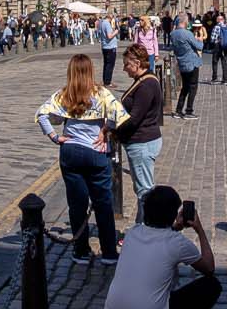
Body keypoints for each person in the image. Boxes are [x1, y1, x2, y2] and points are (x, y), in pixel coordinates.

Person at [103, 184, 220, 309]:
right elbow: (209, 268)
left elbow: (157, 238)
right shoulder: (176, 243)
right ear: (173, 214)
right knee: (212, 286)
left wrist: (174, 227)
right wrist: (199, 229)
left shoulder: (132, 232)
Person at [38, 53, 127, 266]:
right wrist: (105, 129)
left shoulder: (64, 94)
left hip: (70, 151)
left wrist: (55, 136)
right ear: (90, 72)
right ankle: (108, 252)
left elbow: (41, 114)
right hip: (95, 152)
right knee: (103, 202)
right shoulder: (101, 93)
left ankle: (81, 251)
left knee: (77, 204)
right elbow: (120, 114)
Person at [112, 44, 165, 219]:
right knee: (141, 187)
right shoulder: (144, 80)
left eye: (126, 64)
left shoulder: (146, 85)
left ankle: (145, 231)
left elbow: (135, 118)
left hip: (142, 142)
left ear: (136, 63)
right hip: (142, 141)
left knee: (144, 191)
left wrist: (115, 131)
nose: (124, 68)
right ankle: (141, 227)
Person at [168, 15, 204, 120]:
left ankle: (178, 111)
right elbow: (199, 46)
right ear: (184, 22)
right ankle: (189, 111)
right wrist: (200, 38)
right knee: (193, 87)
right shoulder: (187, 34)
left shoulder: (173, 34)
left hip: (182, 62)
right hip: (192, 63)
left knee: (185, 87)